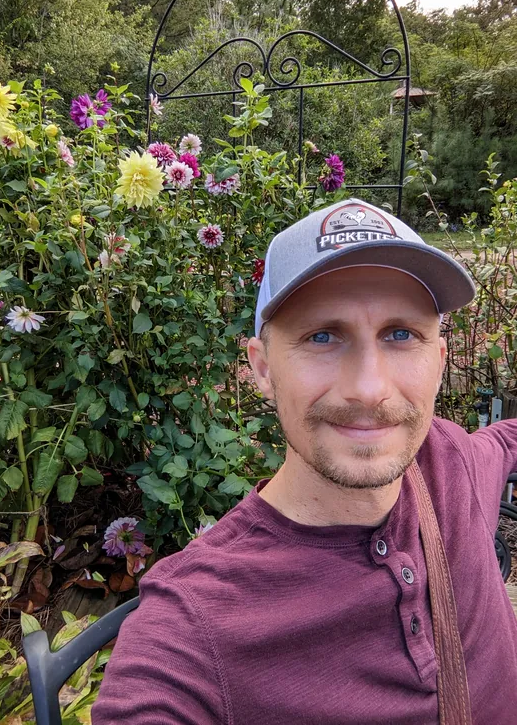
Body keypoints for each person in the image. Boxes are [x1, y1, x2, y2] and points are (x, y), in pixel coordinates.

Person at [92, 198, 517, 724]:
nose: (369, 389)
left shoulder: (449, 458)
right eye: (322, 336)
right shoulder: (194, 630)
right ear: (263, 367)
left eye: (401, 334)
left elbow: (505, 440)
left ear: (439, 361)